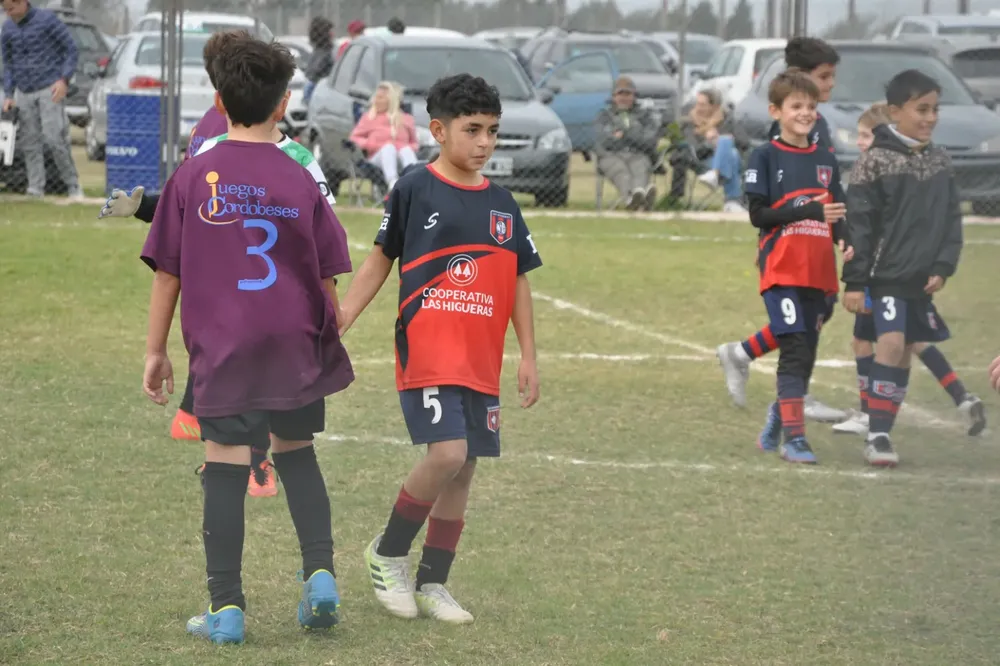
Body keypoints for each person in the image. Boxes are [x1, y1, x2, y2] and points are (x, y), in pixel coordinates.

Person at [140, 35, 354, 644]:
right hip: (293, 341)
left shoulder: (192, 175)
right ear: (283, 103)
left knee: (226, 468)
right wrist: (326, 333)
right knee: (297, 453)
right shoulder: (300, 176)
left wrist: (156, 351)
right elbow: (327, 275)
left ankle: (227, 611)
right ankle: (321, 579)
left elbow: (168, 274)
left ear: (217, 99)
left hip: (226, 343)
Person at [100, 28, 340, 498]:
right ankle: (236, 455)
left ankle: (250, 460)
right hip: (231, 284)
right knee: (232, 366)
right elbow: (188, 207)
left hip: (261, 292)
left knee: (244, 368)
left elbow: (318, 228)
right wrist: (148, 205)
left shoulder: (291, 157)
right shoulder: (206, 139)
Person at [337, 73, 541, 624]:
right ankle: (387, 552)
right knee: (446, 453)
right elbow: (382, 258)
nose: (484, 143)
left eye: (493, 132)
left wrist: (528, 354)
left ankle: (433, 583)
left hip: (481, 356)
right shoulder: (414, 187)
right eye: (472, 130)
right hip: (428, 346)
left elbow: (518, 277)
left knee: (466, 465)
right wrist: (345, 315)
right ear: (438, 129)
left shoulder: (503, 204)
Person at [833, 102, 985, 437]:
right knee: (911, 339)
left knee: (865, 340)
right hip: (902, 272)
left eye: (864, 135)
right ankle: (961, 397)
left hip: (881, 274)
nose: (859, 141)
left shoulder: (883, 170)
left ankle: (869, 415)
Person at [716, 36, 844, 423]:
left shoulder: (817, 126)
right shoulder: (787, 136)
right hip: (789, 246)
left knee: (813, 315)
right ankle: (796, 394)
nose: (831, 85)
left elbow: (829, 193)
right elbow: (774, 201)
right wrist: (795, 221)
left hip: (815, 245)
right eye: (824, 77)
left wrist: (843, 236)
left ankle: (741, 353)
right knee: (798, 323)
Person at [842, 70, 964, 467]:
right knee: (891, 344)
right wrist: (856, 281)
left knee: (906, 352)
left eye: (935, 110)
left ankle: (882, 429)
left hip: (920, 278)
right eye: (921, 109)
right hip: (885, 275)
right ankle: (876, 435)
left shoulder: (941, 161)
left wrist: (944, 265)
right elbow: (859, 226)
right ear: (895, 112)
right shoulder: (873, 162)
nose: (930, 118)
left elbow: (951, 220)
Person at [744, 69, 849, 465]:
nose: (805, 113)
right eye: (796, 106)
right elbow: (759, 215)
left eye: (811, 106)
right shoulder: (765, 156)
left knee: (805, 353)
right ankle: (796, 440)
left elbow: (837, 212)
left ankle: (778, 415)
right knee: (793, 349)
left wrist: (848, 242)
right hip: (782, 270)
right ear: (776, 110)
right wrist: (806, 209)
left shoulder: (826, 158)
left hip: (820, 273)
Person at [0, 0, 82, 198]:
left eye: (11, 8)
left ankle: (73, 186)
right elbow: (7, 63)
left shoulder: (47, 20)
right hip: (23, 92)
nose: (8, 13)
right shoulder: (7, 28)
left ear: (23, 2)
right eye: (5, 9)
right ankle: (36, 188)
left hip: (50, 89)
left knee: (55, 138)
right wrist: (9, 94)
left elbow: (71, 49)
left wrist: (63, 80)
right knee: (30, 142)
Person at [669, 88, 745, 212]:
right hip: (704, 161)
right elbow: (694, 148)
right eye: (697, 103)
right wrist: (709, 143)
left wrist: (719, 139)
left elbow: (744, 141)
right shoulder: (689, 122)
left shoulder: (726, 120)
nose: (698, 108)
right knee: (732, 153)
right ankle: (732, 201)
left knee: (728, 146)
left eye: (703, 105)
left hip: (729, 162)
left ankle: (715, 175)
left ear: (714, 106)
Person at [594, 76, 661, 211]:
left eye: (628, 94)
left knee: (640, 167)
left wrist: (624, 134)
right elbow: (604, 141)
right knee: (620, 171)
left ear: (634, 96)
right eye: (620, 94)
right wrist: (634, 136)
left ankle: (640, 195)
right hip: (610, 155)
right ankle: (631, 200)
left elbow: (649, 142)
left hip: (637, 153)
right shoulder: (604, 116)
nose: (624, 98)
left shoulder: (645, 116)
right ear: (613, 96)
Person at [349, 81, 418, 190]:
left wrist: (407, 147)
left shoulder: (406, 119)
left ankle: (415, 183)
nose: (376, 100)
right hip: (377, 159)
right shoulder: (369, 118)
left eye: (381, 98)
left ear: (391, 100)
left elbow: (414, 142)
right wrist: (371, 144)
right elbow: (354, 138)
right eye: (376, 97)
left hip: (401, 157)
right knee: (388, 148)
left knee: (406, 150)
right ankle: (393, 184)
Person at [304, 17, 334, 103]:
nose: (332, 33)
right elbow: (317, 70)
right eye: (329, 31)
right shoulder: (325, 52)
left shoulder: (318, 50)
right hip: (318, 90)